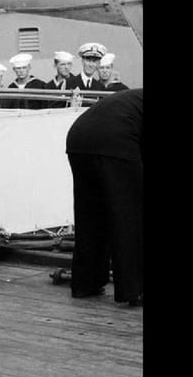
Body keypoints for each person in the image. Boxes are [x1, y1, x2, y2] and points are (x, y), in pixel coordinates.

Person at [65, 88, 143, 306]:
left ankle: (86, 283)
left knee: (90, 214)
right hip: (116, 139)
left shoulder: (133, 98)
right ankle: (133, 289)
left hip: (78, 137)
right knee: (128, 215)